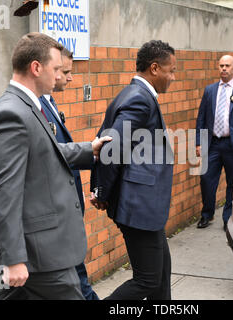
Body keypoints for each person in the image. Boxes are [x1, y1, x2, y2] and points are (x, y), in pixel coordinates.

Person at [0, 32, 110, 300]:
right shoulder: (11, 114)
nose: (60, 75)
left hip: (39, 251)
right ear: (36, 68)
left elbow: (42, 153)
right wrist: (13, 258)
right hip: (37, 254)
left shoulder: (29, 106)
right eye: (56, 69)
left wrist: (88, 150)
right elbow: (3, 193)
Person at [90, 40, 176, 300]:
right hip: (138, 207)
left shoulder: (137, 94)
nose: (173, 77)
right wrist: (102, 192)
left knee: (161, 275)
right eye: (170, 70)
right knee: (148, 282)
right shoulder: (139, 99)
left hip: (146, 207)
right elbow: (110, 147)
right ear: (154, 68)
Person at [39, 48, 99, 300]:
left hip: (64, 218)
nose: (70, 78)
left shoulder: (49, 102)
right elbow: (47, 155)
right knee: (79, 284)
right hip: (56, 219)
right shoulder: (37, 106)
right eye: (65, 71)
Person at [195, 55, 233, 231]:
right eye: (221, 66)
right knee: (206, 179)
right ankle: (207, 214)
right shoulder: (210, 90)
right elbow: (202, 118)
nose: (224, 69)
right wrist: (199, 142)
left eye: (227, 65)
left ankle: (228, 217)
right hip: (212, 144)